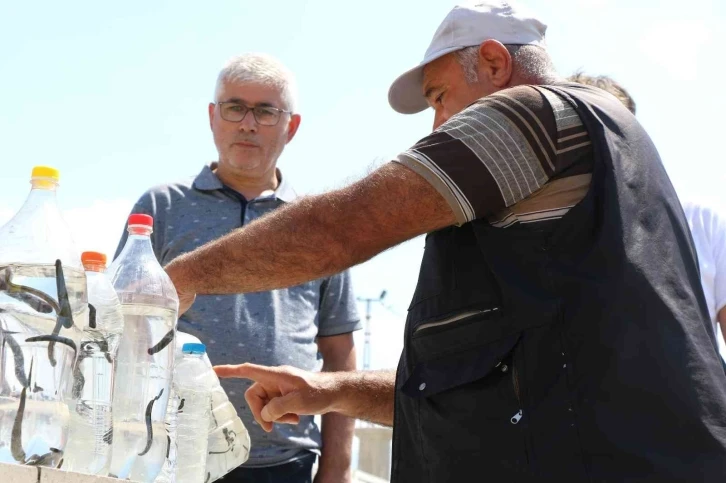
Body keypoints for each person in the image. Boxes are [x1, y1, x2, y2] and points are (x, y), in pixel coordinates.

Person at [164, 2, 726, 481]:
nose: (436, 124)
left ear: (493, 62)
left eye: (439, 96)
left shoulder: (537, 112)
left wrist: (177, 278)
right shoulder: (570, 201)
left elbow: (343, 226)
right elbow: (464, 392)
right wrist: (326, 389)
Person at [115, 53, 361, 483]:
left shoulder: (320, 224)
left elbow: (340, 353)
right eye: (235, 107)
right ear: (213, 117)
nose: (248, 123)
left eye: (266, 111)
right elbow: (123, 329)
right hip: (171, 455)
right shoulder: (160, 208)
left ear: (292, 126)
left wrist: (337, 467)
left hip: (287, 463)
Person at [568, 71, 726, 360]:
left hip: (697, 403)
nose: (604, 145)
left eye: (614, 129)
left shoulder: (700, 219)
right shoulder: (552, 230)